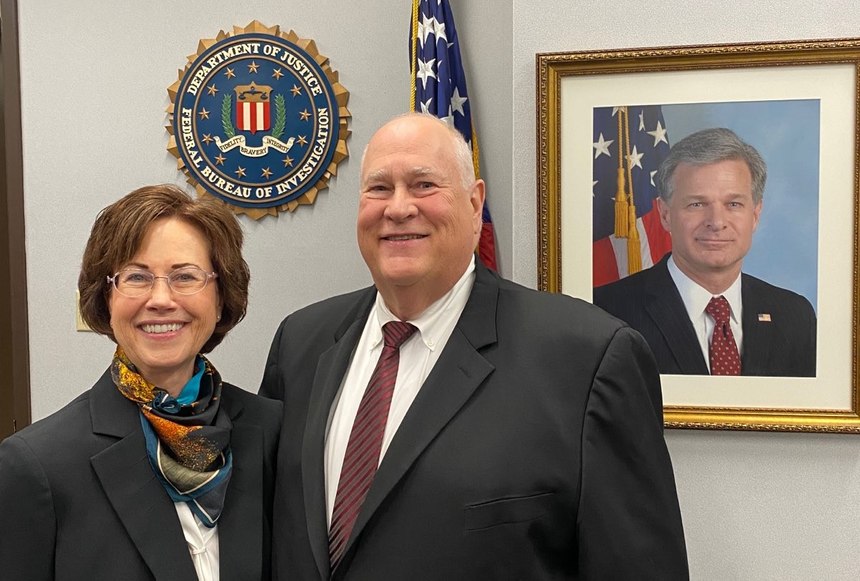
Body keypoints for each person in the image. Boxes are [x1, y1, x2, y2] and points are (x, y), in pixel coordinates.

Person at [260, 113, 688, 579]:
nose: (398, 208)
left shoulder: (588, 360)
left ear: (474, 201)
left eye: (424, 185)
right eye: (379, 189)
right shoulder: (301, 343)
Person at [0, 184, 281, 580]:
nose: (161, 299)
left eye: (185, 276)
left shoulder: (273, 434)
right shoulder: (37, 465)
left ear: (220, 299)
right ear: (106, 299)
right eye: (136, 277)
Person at [594, 127, 817, 377]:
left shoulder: (795, 317)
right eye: (697, 204)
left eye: (733, 204)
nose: (716, 221)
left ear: (755, 215)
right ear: (665, 214)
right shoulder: (607, 313)